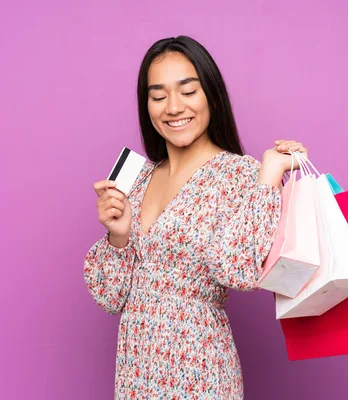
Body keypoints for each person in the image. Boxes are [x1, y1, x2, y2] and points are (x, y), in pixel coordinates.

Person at [84, 36, 308, 399]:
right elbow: (110, 296)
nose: (173, 107)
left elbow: (242, 272)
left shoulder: (239, 174)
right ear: (147, 107)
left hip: (198, 369)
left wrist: (269, 174)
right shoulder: (138, 179)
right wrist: (119, 236)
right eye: (158, 96)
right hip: (135, 373)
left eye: (188, 91)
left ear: (212, 97)